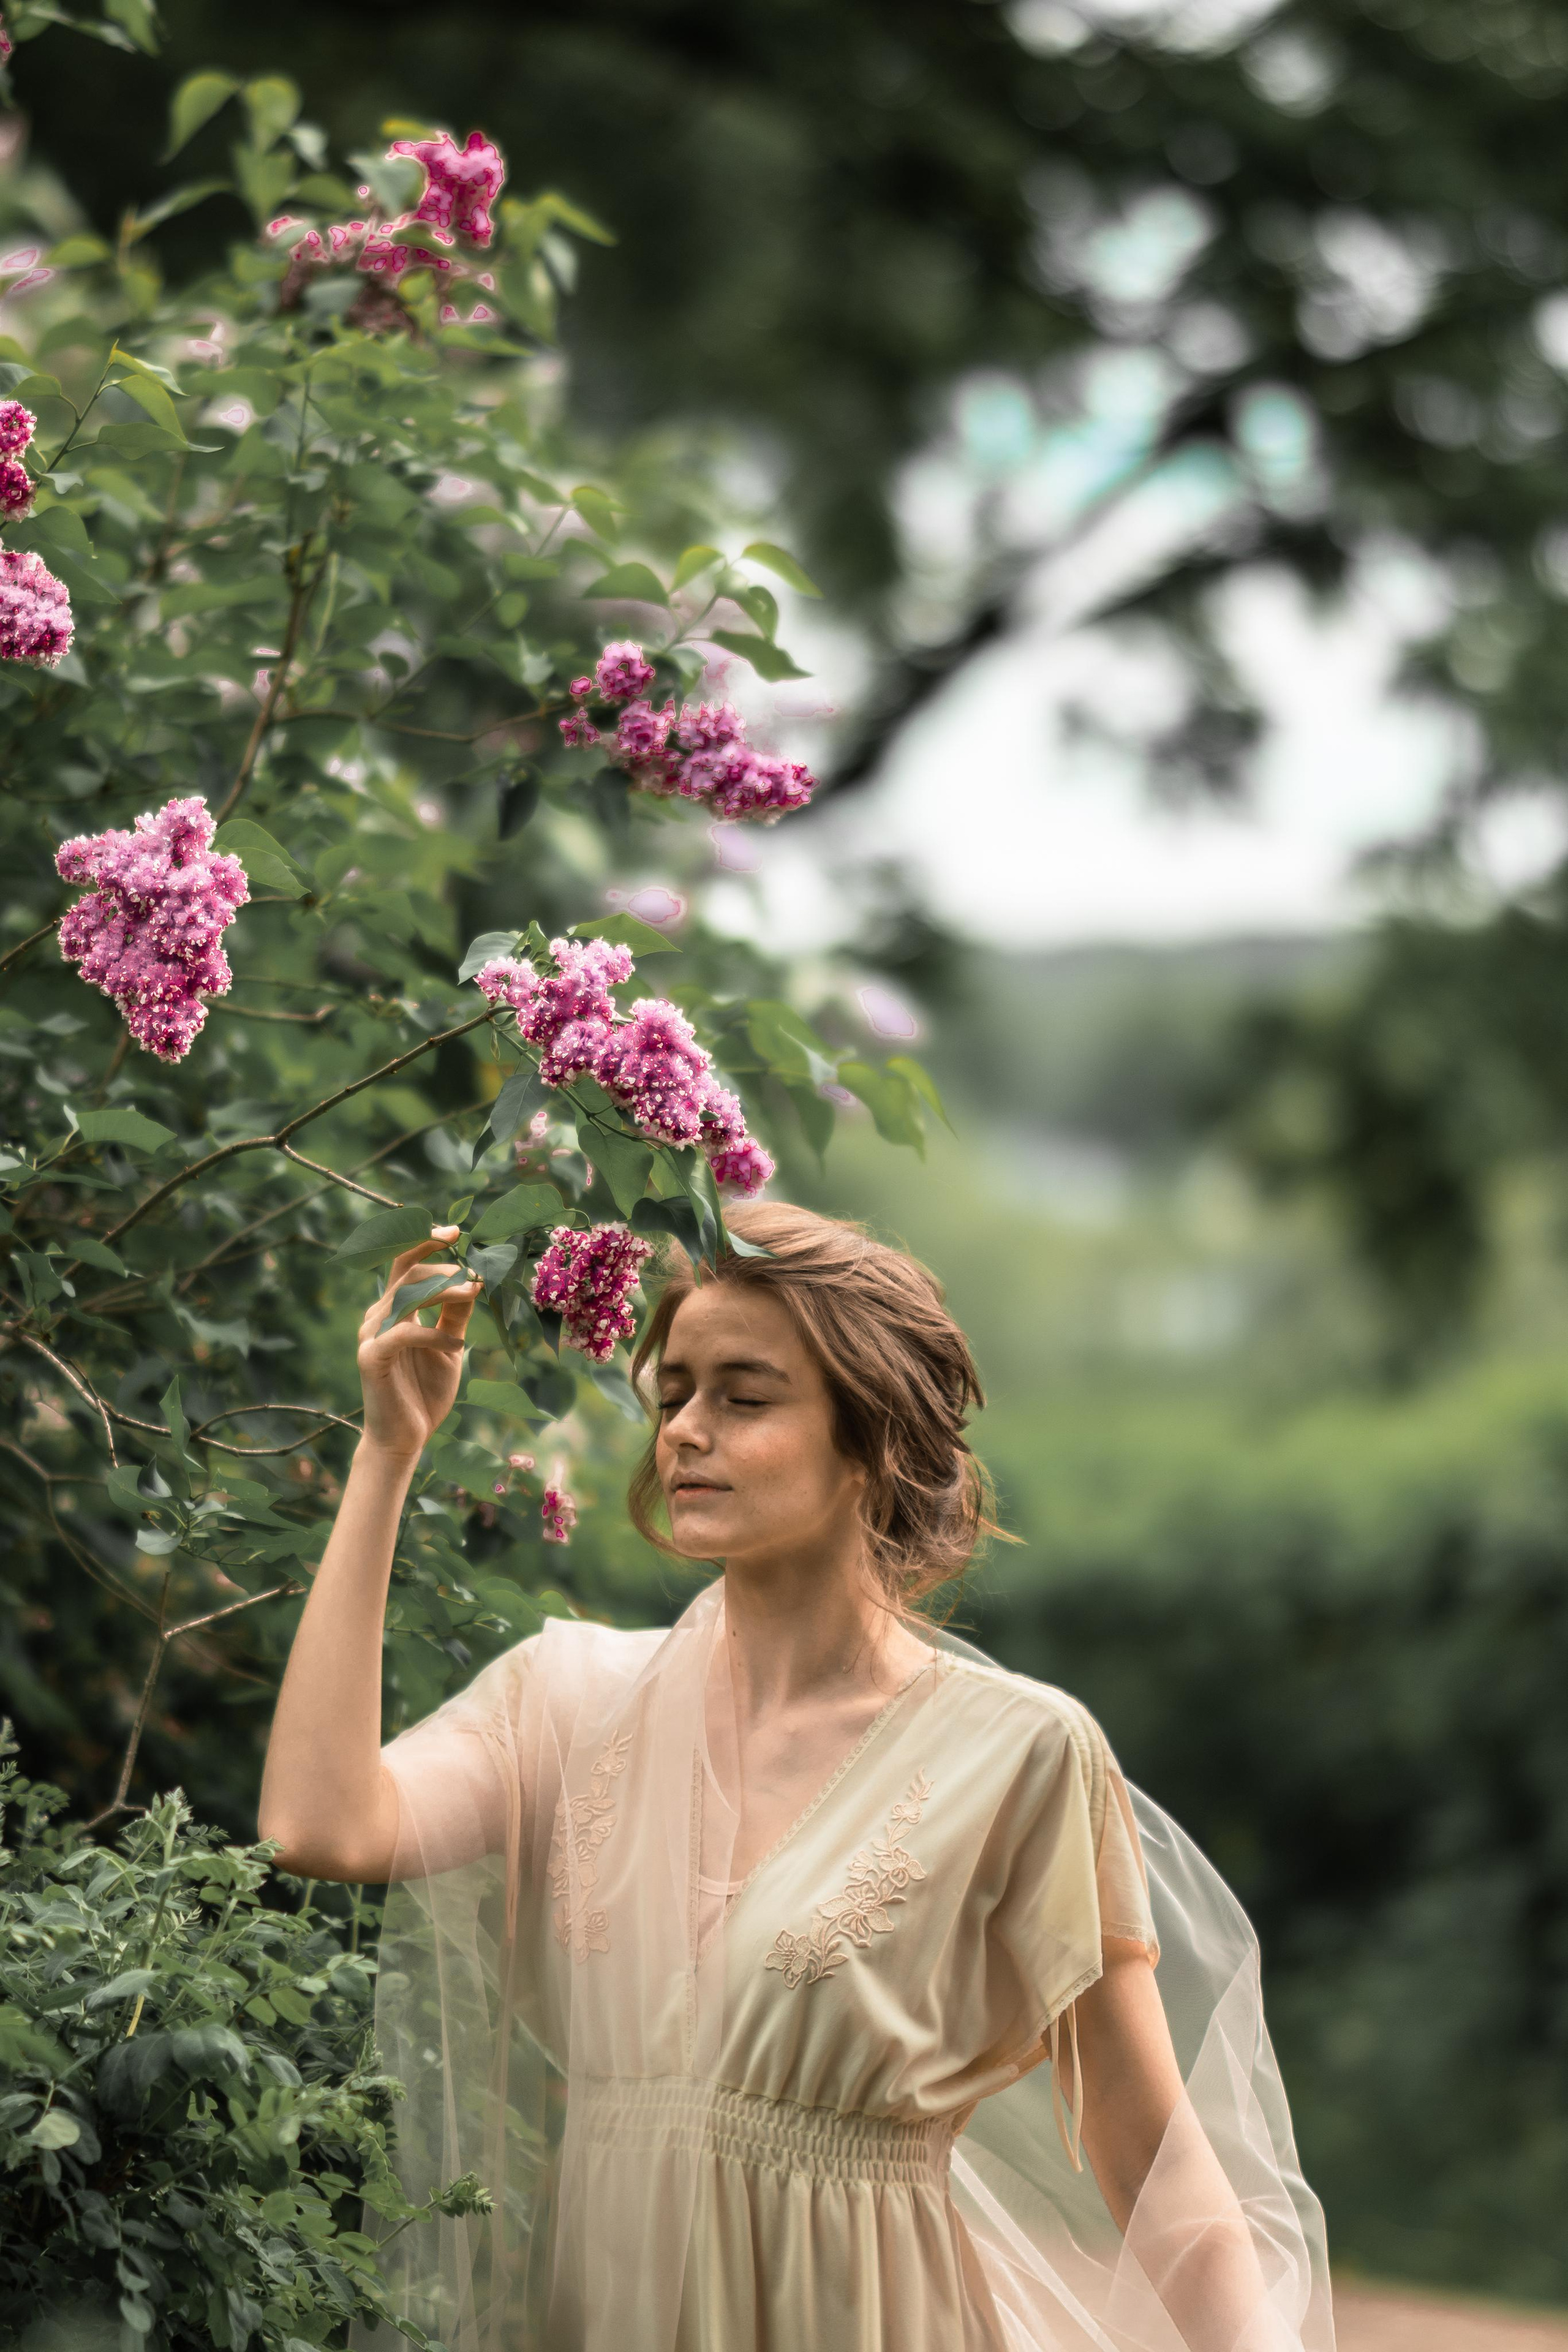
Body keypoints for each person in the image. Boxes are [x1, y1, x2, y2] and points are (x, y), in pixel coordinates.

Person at [259, 1202, 1333, 2352]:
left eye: (745, 1396)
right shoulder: (567, 1699)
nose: (684, 1431)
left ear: (870, 1438)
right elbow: (319, 1825)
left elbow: (1159, 2173)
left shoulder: (1020, 1753)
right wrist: (388, 1451)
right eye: (673, 1393)